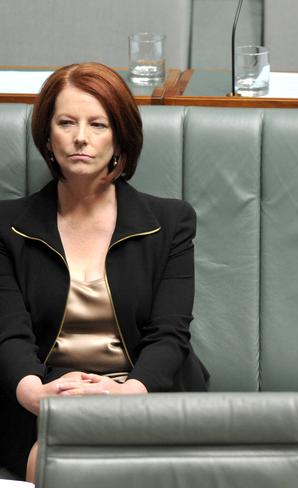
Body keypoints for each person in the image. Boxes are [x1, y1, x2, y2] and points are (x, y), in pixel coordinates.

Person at [0, 63, 209, 480]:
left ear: (120, 139)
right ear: (47, 136)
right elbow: (8, 333)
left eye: (98, 124)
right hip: (42, 396)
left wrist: (126, 394)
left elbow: (170, 334)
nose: (80, 137)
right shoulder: (6, 226)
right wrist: (35, 394)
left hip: (144, 392)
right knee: (64, 457)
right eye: (66, 122)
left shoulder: (170, 221)